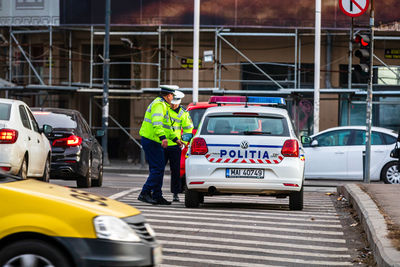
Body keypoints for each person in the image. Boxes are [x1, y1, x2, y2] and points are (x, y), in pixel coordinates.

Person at [138, 85, 183, 205]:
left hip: (154, 140)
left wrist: (175, 139)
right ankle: (145, 192)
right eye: (172, 95)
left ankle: (157, 196)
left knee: (158, 169)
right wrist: (163, 138)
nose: (173, 98)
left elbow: (167, 127)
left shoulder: (164, 106)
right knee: (157, 168)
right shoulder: (159, 105)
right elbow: (157, 123)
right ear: (168, 95)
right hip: (152, 140)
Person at [164, 90, 194, 202]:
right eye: (172, 102)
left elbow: (188, 129)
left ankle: (175, 194)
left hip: (175, 146)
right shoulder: (164, 109)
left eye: (175, 102)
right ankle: (154, 190)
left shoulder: (184, 113)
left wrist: (184, 143)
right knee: (157, 169)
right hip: (162, 143)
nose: (173, 104)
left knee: (175, 171)